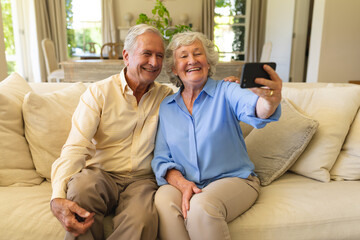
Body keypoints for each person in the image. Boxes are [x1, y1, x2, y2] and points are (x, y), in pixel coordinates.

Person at [151, 31, 282, 240]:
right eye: (183, 56)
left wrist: (269, 100)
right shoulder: (166, 107)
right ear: (174, 69)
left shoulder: (227, 90)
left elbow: (256, 108)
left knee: (201, 206)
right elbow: (162, 158)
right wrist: (183, 184)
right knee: (164, 200)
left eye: (197, 54)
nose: (192, 60)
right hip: (189, 182)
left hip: (234, 180)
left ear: (209, 62)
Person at [50, 24, 173, 240]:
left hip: (142, 181)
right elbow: (75, 147)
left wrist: (228, 88)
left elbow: (197, 99)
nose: (154, 63)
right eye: (146, 54)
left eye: (159, 56)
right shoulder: (98, 93)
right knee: (81, 189)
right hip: (101, 175)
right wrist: (57, 196)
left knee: (143, 220)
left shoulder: (167, 96)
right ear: (127, 56)